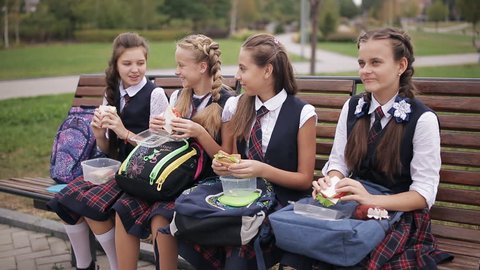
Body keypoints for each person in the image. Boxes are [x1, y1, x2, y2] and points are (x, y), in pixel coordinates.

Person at [288, 27, 451, 269]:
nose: (365, 70)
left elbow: (423, 195)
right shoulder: (352, 107)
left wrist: (371, 199)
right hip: (354, 203)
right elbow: (339, 163)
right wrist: (331, 184)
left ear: (401, 65)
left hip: (398, 213)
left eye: (375, 62)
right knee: (309, 243)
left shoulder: (422, 119)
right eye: (362, 62)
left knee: (349, 257)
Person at [176, 33, 317, 270]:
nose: (237, 76)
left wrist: (263, 170)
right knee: (187, 221)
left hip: (282, 203)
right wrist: (222, 166)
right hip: (239, 197)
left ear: (267, 71)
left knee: (238, 256)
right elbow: (228, 158)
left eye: (243, 68)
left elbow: (304, 180)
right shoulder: (235, 105)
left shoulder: (302, 113)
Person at [112, 34, 235, 270]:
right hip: (173, 176)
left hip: (205, 180)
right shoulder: (179, 96)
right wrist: (159, 129)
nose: (176, 71)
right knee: (123, 208)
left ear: (202, 67)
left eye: (181, 65)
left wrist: (199, 133)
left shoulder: (228, 102)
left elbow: (227, 159)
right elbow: (167, 145)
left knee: (162, 218)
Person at [47, 32, 169, 270]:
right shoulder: (112, 93)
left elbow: (160, 150)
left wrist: (124, 132)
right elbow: (107, 148)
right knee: (64, 200)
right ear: (115, 65)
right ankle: (85, 266)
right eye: (127, 63)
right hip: (115, 168)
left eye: (140, 63)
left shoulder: (155, 95)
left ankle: (116, 266)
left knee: (92, 207)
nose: (135, 69)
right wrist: (99, 134)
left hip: (142, 174)